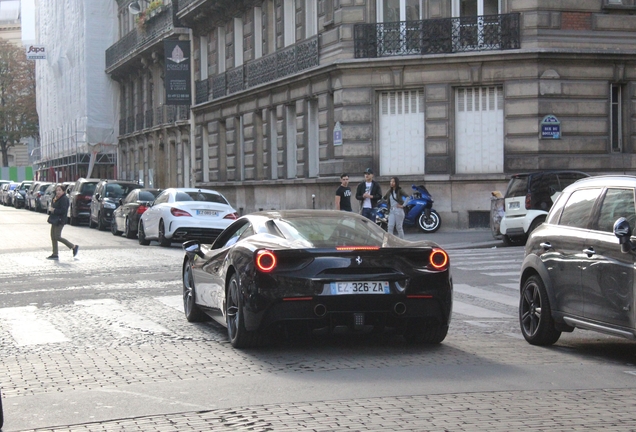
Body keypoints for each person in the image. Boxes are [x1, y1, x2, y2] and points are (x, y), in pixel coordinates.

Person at [47, 184, 79, 260]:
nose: (58, 192)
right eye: (57, 190)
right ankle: (55, 253)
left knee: (57, 236)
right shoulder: (55, 198)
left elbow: (63, 210)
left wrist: (54, 210)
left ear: (63, 191)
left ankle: (73, 246)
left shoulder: (64, 199)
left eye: (59, 190)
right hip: (54, 219)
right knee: (53, 236)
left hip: (60, 220)